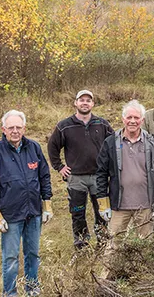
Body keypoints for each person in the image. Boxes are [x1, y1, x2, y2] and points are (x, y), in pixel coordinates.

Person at [0, 110, 53, 297]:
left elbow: (44, 176)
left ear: (24, 128)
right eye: (11, 127)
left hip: (33, 211)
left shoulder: (34, 147)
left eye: (18, 127)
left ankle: (32, 289)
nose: (15, 131)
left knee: (33, 253)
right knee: (11, 257)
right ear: (3, 129)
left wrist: (47, 205)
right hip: (10, 214)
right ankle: (10, 294)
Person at [96, 100, 154, 264]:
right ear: (123, 119)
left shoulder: (152, 142)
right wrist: (103, 203)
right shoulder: (111, 142)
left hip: (145, 204)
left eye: (136, 117)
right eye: (129, 117)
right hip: (120, 205)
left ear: (142, 120)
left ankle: (144, 279)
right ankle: (106, 280)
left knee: (147, 245)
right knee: (113, 245)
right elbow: (101, 173)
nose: (132, 121)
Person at [47, 89, 114, 250]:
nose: (85, 103)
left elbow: (113, 145)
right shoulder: (64, 126)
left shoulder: (102, 124)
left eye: (88, 100)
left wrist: (110, 168)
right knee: (78, 212)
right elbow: (52, 146)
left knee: (102, 212)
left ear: (93, 104)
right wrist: (59, 167)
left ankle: (103, 242)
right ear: (75, 103)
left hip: (99, 177)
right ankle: (81, 243)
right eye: (81, 100)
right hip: (76, 178)